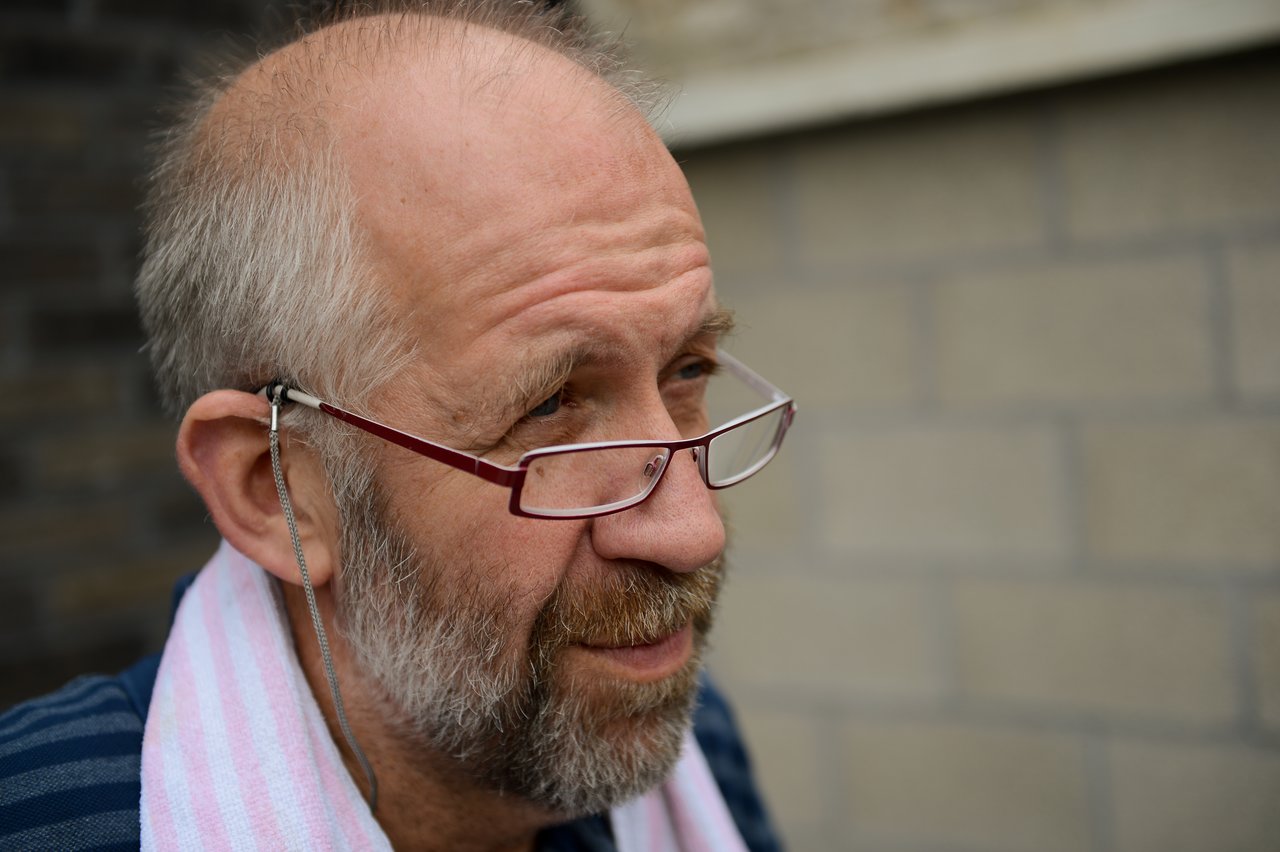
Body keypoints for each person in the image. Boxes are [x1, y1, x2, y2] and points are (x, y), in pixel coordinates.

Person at [0, 2, 795, 849]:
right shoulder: (46, 823)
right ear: (275, 490)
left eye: (687, 371)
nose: (692, 529)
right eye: (550, 405)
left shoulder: (686, 744)